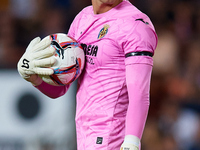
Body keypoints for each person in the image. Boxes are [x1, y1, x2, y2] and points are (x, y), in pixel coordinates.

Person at [17, 0, 157, 149]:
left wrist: (132, 141)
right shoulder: (82, 18)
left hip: (112, 138)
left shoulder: (136, 25)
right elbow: (62, 87)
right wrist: (33, 78)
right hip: (84, 135)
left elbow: (140, 94)